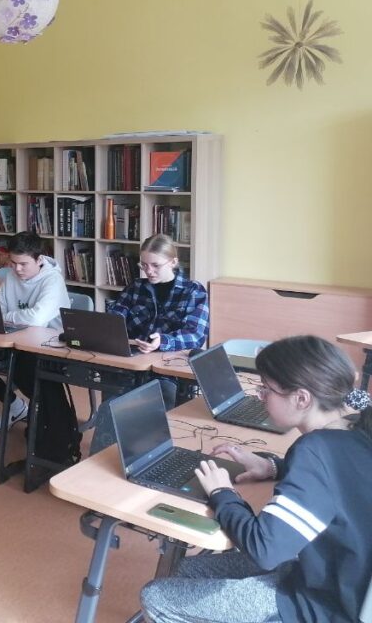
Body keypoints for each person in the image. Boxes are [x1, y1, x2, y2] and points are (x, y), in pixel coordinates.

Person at [140, 335, 372, 623]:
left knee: (155, 596)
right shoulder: (356, 426)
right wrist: (273, 467)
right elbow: (337, 480)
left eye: (266, 389)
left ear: (301, 398)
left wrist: (223, 493)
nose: (260, 396)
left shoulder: (314, 450)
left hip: (322, 605)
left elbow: (264, 549)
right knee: (184, 571)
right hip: (337, 577)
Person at [0, 231, 70, 434]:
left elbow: (36, 319)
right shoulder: (12, 276)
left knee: (23, 368)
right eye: (13, 262)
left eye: (23, 264)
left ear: (39, 259)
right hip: (13, 340)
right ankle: (14, 405)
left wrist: (7, 317)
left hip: (46, 347)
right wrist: (7, 317)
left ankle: (47, 418)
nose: (17, 269)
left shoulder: (53, 281)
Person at [107, 233, 210, 405]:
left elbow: (195, 335)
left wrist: (163, 341)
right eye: (144, 265)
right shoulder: (136, 287)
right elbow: (115, 319)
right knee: (112, 404)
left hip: (169, 372)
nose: (149, 271)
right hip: (132, 364)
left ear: (173, 262)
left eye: (155, 265)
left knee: (152, 404)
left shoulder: (193, 291)